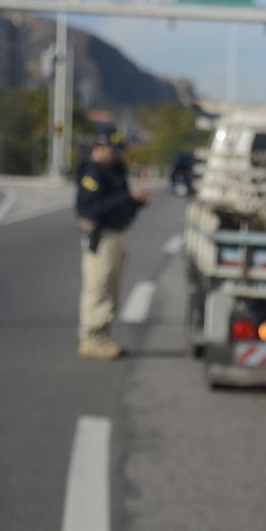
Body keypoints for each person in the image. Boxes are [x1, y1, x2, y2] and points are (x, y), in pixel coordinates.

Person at [76, 130, 151, 360]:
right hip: (101, 237)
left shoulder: (115, 172)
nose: (117, 156)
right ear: (100, 148)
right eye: (113, 151)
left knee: (112, 288)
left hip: (117, 234)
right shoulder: (92, 173)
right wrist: (127, 198)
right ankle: (90, 339)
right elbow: (92, 209)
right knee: (98, 287)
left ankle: (104, 336)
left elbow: (121, 204)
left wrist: (136, 203)